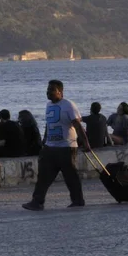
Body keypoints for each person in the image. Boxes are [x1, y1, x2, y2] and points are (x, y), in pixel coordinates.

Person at [23, 80, 91, 211]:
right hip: (50, 147)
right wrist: (44, 140)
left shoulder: (68, 105)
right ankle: (37, 202)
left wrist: (86, 142)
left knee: (70, 176)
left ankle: (78, 200)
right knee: (43, 175)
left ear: (60, 92)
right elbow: (49, 125)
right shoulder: (48, 105)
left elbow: (77, 125)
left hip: (67, 147)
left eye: (52, 90)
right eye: (48, 90)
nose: (48, 92)